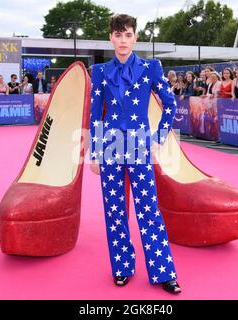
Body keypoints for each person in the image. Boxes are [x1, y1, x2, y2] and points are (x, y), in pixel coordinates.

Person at [89, 14, 181, 294]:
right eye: (117, 35)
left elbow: (170, 104)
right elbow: (94, 114)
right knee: (115, 210)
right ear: (110, 38)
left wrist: (159, 138)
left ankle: (164, 271)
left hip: (141, 147)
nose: (122, 41)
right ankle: (122, 267)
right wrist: (93, 152)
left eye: (127, 35)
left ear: (135, 37)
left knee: (149, 210)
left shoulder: (151, 68)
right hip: (110, 148)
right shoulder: (100, 72)